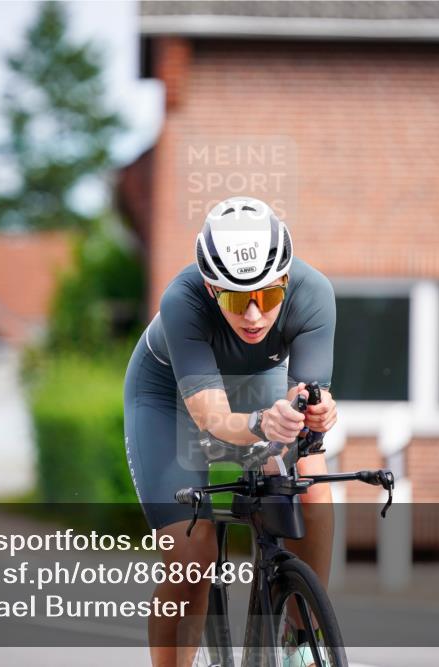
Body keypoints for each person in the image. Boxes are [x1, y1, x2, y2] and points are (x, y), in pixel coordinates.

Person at [123, 196, 338, 667]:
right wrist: (262, 423)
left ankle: (300, 643)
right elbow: (213, 421)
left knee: (313, 488)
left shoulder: (314, 292)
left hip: (260, 386)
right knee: (190, 557)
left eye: (269, 296)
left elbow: (307, 397)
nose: (256, 315)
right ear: (210, 286)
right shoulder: (182, 300)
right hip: (170, 400)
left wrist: (317, 413)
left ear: (285, 280)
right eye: (239, 299)